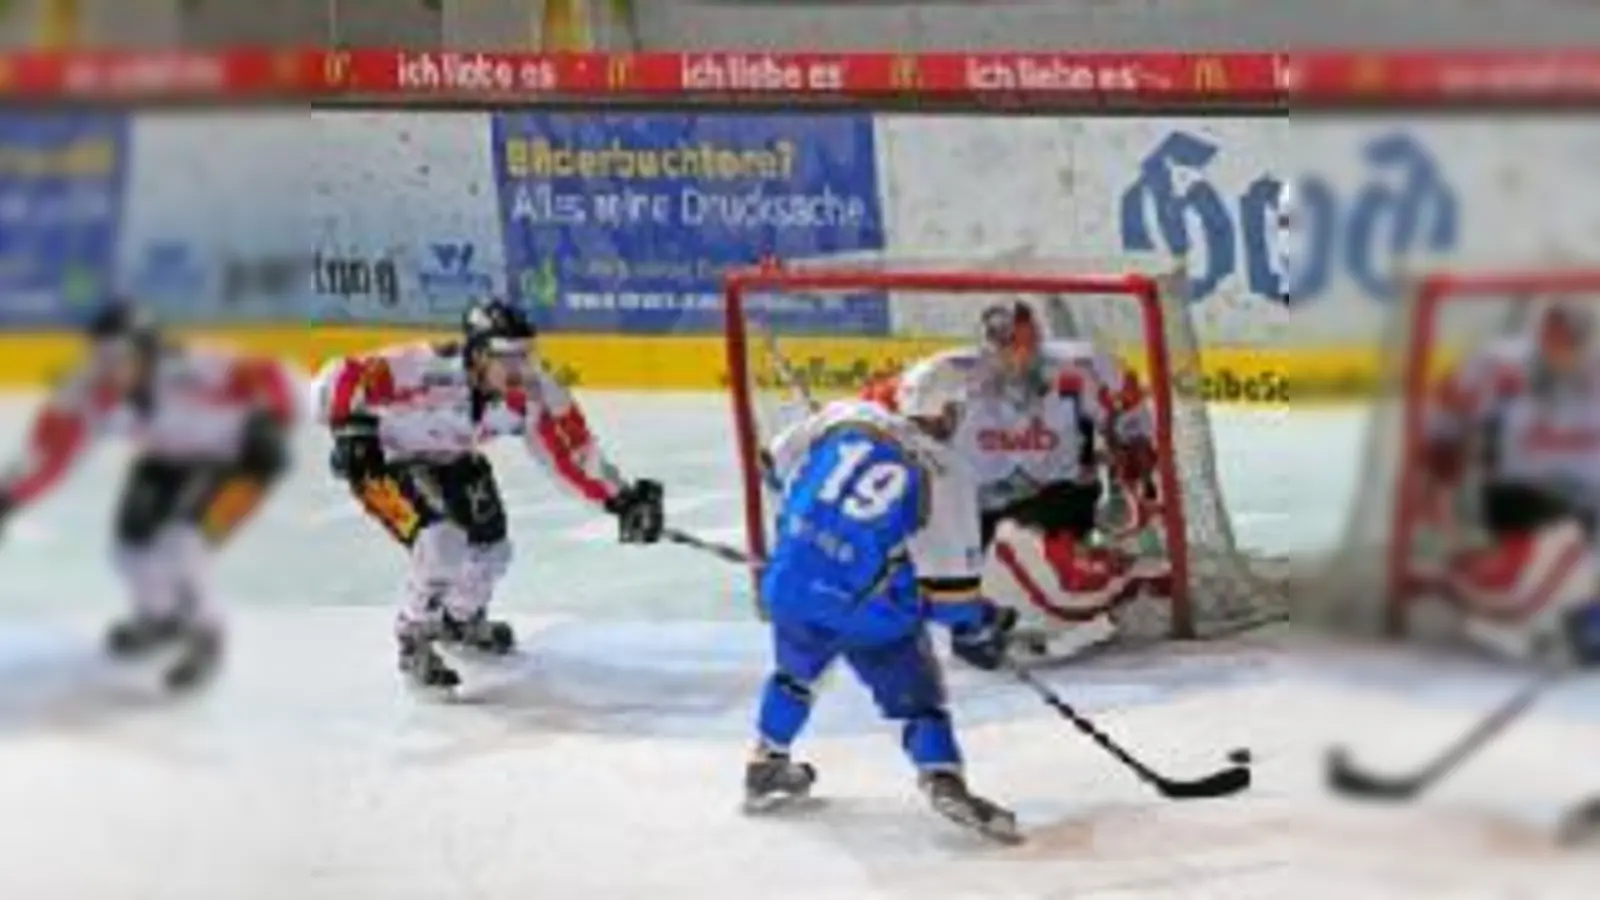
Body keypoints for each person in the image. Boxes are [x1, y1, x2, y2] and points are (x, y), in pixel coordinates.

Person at [310, 298, 664, 689]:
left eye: (527, 355)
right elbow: (339, 375)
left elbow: (568, 454)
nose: (521, 368)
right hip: (388, 463)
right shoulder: (427, 367)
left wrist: (618, 498)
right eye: (508, 358)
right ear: (477, 354)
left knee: (492, 551)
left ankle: (459, 621)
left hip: (456, 461)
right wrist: (350, 430)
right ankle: (413, 635)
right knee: (441, 542)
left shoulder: (532, 393)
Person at [750, 365, 1022, 843]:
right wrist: (980, 626)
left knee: (795, 674)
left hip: (789, 580)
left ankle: (767, 761)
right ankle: (942, 777)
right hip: (866, 612)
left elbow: (772, 465)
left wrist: (817, 532)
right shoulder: (947, 473)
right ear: (950, 413)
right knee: (918, 698)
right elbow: (950, 598)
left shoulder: (845, 414)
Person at [0, 301, 300, 690]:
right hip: (166, 460)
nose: (109, 368)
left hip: (240, 459)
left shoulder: (193, 367)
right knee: (128, 548)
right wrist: (10, 498)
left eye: (118, 356)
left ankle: (207, 636)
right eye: (100, 356)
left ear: (146, 351)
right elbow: (54, 452)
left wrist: (276, 419)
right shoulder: (94, 393)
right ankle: (160, 619)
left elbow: (272, 373)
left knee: (185, 543)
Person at [862, 301, 1168, 655]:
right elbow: (873, 410)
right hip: (977, 511)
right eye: (1008, 346)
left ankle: (1126, 578)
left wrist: (1133, 458)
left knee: (1025, 553)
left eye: (1026, 343)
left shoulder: (1082, 369)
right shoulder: (945, 376)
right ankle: (994, 609)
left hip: (1060, 499)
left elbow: (1131, 413)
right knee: (926, 556)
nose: (1018, 357)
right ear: (988, 346)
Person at [1413, 303, 1600, 662]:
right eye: (1557, 338)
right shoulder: (1500, 365)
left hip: (1578, 501)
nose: (1563, 349)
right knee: (1526, 589)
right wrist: (1440, 463)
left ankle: (1579, 612)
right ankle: (1461, 585)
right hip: (1524, 498)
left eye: (1573, 341)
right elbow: (1449, 405)